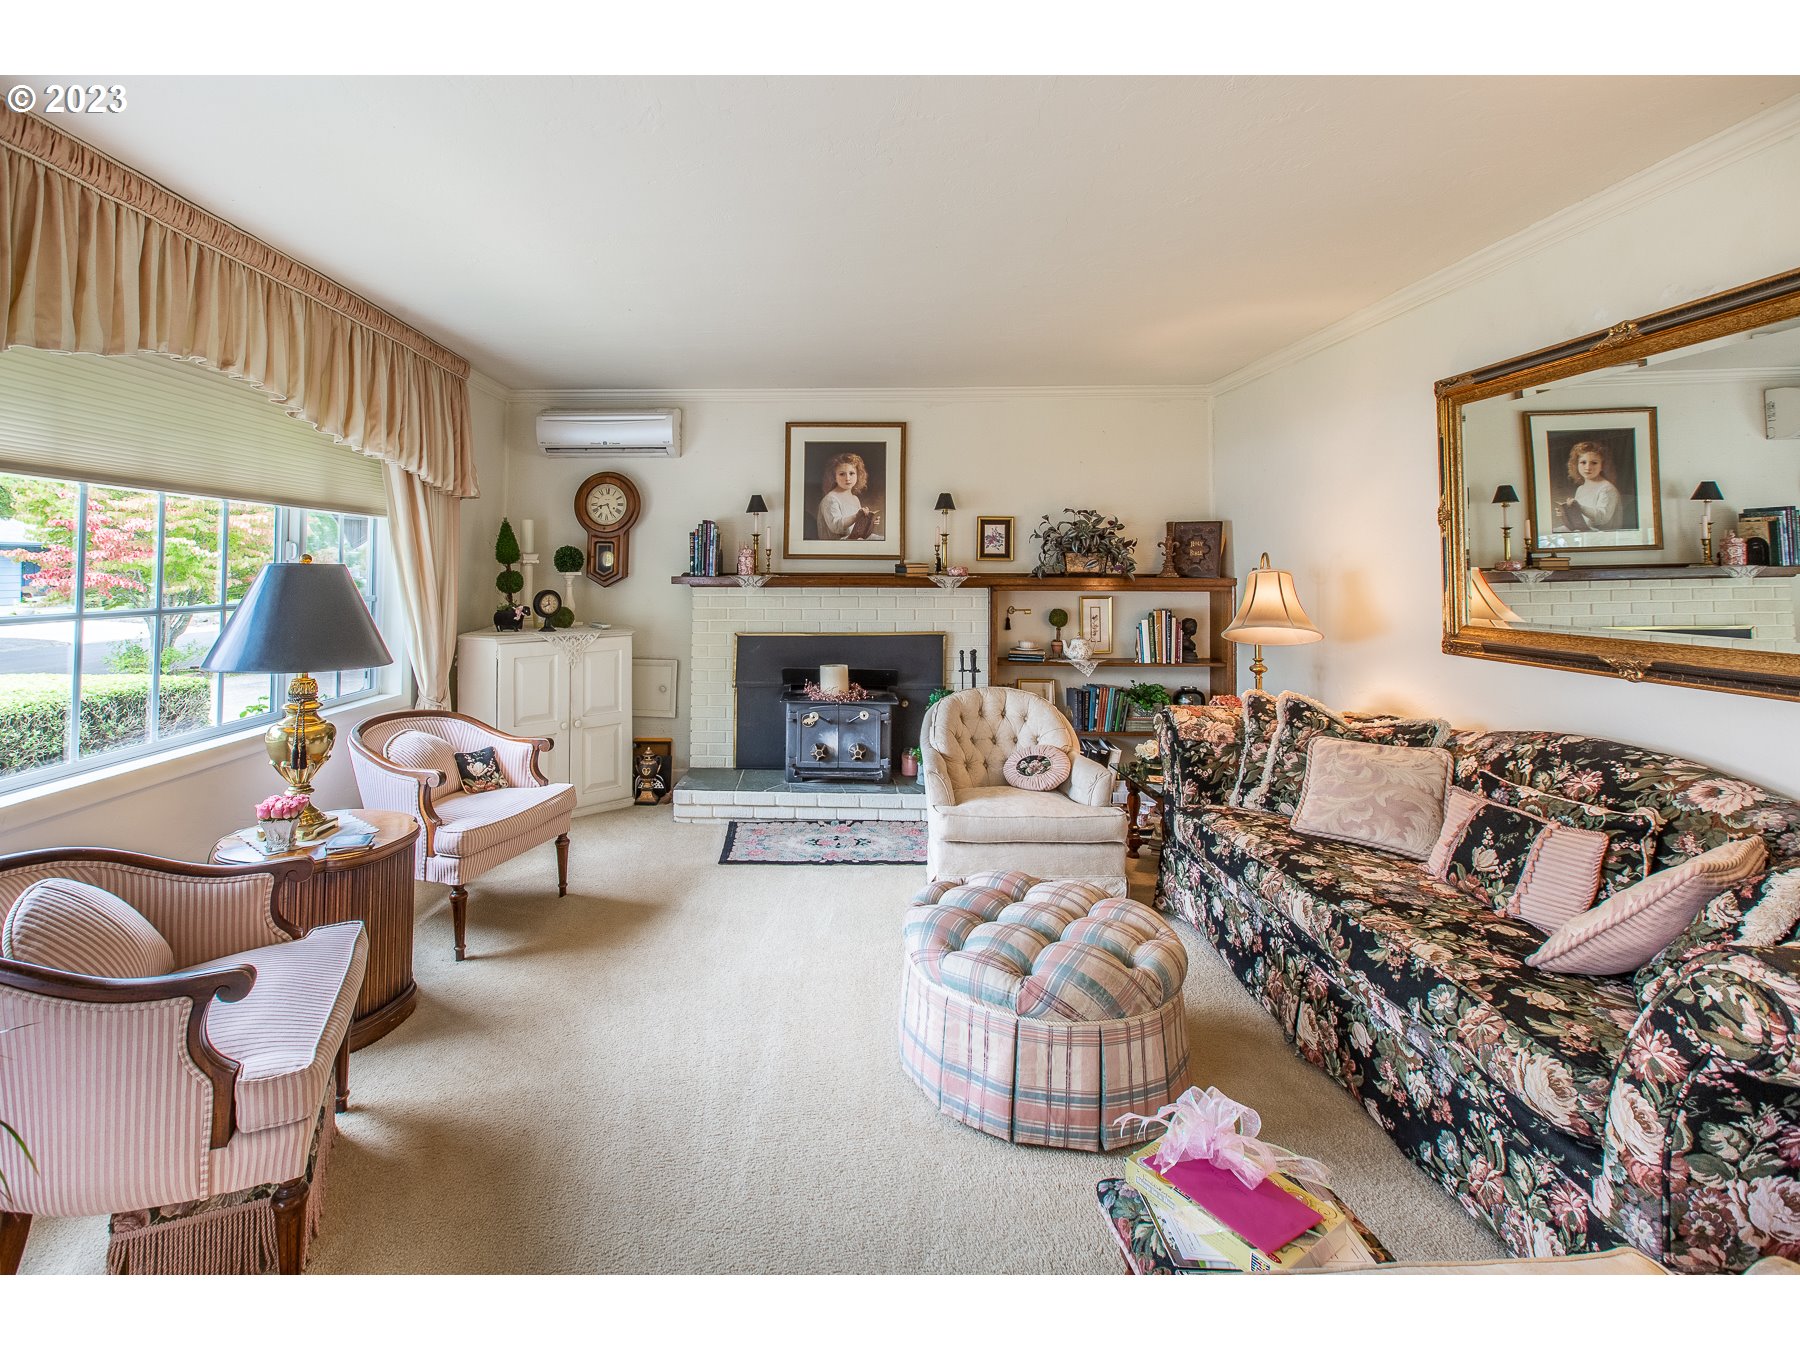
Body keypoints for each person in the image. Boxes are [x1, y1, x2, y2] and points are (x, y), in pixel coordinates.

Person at [1554, 440, 1623, 531]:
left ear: (1602, 466)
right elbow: (1581, 520)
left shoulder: (1607, 489)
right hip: (1585, 532)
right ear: (1576, 464)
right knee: (1555, 531)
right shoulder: (1581, 489)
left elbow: (1602, 518)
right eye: (1583, 462)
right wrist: (1566, 513)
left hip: (1603, 537)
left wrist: (1579, 507)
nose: (1588, 467)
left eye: (1594, 463)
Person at [815, 453, 879, 540]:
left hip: (853, 539)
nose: (847, 478)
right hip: (837, 545)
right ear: (834, 477)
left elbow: (856, 529)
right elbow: (836, 527)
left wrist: (869, 523)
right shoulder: (830, 499)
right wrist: (856, 517)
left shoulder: (855, 499)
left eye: (852, 473)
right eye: (842, 474)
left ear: (858, 475)